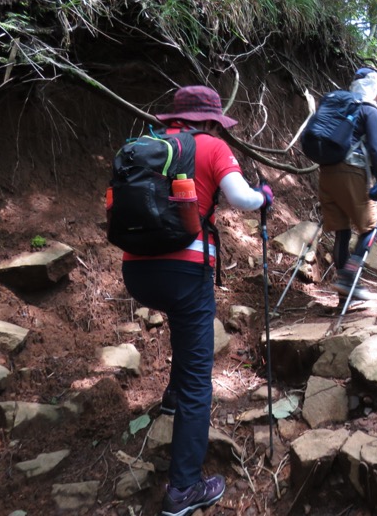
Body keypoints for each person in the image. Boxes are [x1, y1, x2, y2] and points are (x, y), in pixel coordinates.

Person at [120, 86, 272, 516]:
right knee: (197, 381)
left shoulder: (143, 145)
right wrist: (265, 197)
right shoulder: (210, 146)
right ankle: (184, 488)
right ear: (209, 120)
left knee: (178, 325)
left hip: (137, 270)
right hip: (185, 272)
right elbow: (241, 198)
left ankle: (169, 395)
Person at [319, 67, 377, 301]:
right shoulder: (368, 110)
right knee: (370, 228)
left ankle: (345, 295)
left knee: (342, 230)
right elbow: (375, 149)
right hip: (351, 171)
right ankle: (348, 279)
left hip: (326, 171)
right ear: (374, 89)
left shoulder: (338, 106)